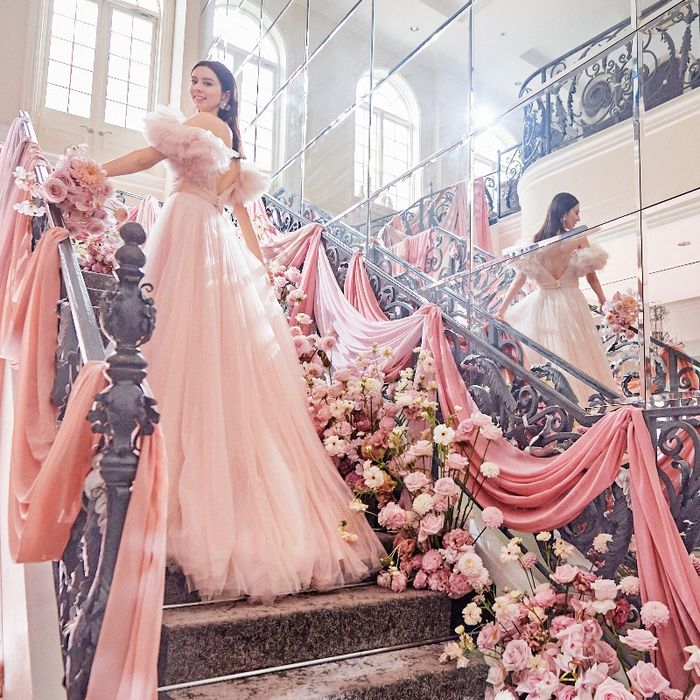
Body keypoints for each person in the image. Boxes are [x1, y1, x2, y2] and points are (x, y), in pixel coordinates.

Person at [102, 60, 384, 601]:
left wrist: (96, 172)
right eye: (193, 80)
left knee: (169, 334)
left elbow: (148, 156)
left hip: (188, 228)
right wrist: (260, 269)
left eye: (207, 83)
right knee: (198, 345)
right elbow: (245, 220)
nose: (196, 88)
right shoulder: (231, 147)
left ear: (226, 95)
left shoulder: (202, 126)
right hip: (209, 234)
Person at [495, 192, 617, 404]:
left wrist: (502, 310)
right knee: (579, 351)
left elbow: (520, 280)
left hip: (546, 304)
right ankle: (586, 402)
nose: (578, 218)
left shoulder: (535, 242)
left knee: (556, 352)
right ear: (563, 213)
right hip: (571, 302)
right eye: (576, 212)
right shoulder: (578, 239)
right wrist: (602, 300)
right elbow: (592, 277)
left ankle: (564, 404)